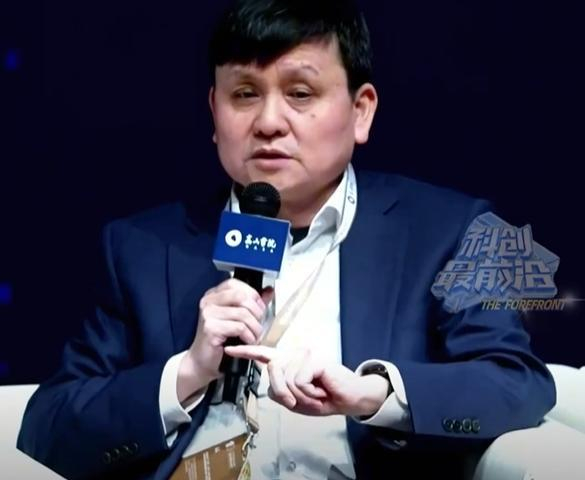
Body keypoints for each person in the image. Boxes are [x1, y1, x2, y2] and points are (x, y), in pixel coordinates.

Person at [18, 0, 556, 479]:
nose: (269, 122)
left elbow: (516, 383)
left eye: (300, 93)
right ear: (214, 112)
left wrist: (374, 394)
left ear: (361, 110)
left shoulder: (449, 230)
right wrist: (186, 373)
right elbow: (48, 427)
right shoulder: (139, 247)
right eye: (244, 94)